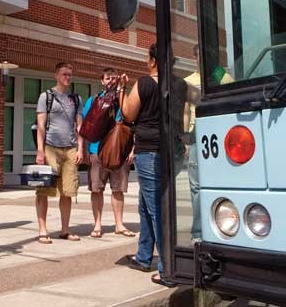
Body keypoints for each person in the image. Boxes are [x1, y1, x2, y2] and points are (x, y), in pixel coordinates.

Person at [119, 44, 177, 288]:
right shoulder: (178, 84)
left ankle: (167, 270)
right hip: (170, 151)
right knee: (145, 207)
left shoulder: (144, 84)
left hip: (148, 151)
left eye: (147, 57)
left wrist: (121, 89)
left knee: (155, 210)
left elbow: (128, 114)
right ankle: (144, 257)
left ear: (153, 60)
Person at [184, 44, 233, 243]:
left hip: (219, 136)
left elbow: (231, 101)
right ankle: (198, 232)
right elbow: (185, 111)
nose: (201, 60)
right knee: (196, 187)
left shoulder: (222, 77)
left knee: (221, 182)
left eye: (205, 56)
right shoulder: (188, 81)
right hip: (196, 137)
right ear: (194, 58)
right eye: (198, 56)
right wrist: (185, 139)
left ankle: (223, 225)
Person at [35, 62, 84, 243]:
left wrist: (80, 148)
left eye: (70, 74)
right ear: (56, 75)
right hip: (50, 148)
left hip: (70, 149)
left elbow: (79, 126)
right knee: (44, 190)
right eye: (64, 74)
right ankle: (42, 230)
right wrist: (40, 151)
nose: (67, 77)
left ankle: (65, 230)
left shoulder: (75, 98)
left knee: (68, 191)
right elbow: (40, 125)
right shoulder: (46, 96)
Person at [82, 68, 134, 239]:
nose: (111, 81)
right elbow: (85, 125)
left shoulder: (123, 98)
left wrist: (132, 149)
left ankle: (119, 224)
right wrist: (83, 149)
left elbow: (132, 123)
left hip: (118, 151)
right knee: (96, 189)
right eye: (107, 78)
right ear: (102, 81)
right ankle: (97, 224)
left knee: (118, 190)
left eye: (113, 78)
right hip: (96, 150)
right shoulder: (94, 100)